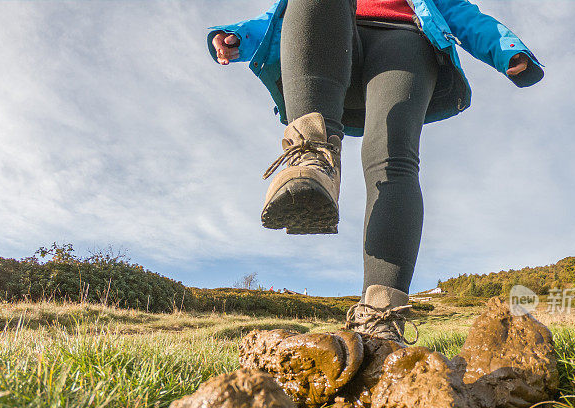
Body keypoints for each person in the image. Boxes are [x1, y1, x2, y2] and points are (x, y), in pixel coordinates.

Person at [208, 0, 543, 342]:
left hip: (404, 43)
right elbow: (283, 16)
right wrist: (239, 36)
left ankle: (382, 317)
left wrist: (506, 51)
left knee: (392, 159)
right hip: (330, 45)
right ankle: (311, 156)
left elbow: (461, 14)